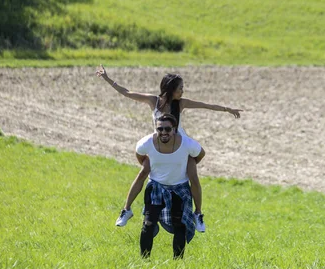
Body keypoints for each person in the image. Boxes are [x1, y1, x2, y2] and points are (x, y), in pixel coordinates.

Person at [95, 64, 242, 231]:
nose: (183, 91)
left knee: (193, 177)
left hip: (181, 145)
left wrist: (227, 109)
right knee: (143, 172)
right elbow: (127, 93)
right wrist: (107, 78)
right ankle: (126, 210)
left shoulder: (180, 104)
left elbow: (206, 105)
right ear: (171, 88)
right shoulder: (153, 101)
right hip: (160, 143)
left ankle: (198, 214)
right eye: (180, 88)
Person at [133, 113, 205, 259]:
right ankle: (143, 260)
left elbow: (200, 154)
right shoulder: (146, 143)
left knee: (180, 226)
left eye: (167, 129)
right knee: (148, 224)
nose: (163, 132)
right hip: (156, 188)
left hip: (179, 189)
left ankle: (177, 263)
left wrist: (188, 164)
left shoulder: (187, 144)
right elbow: (140, 155)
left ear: (174, 129)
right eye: (160, 129)